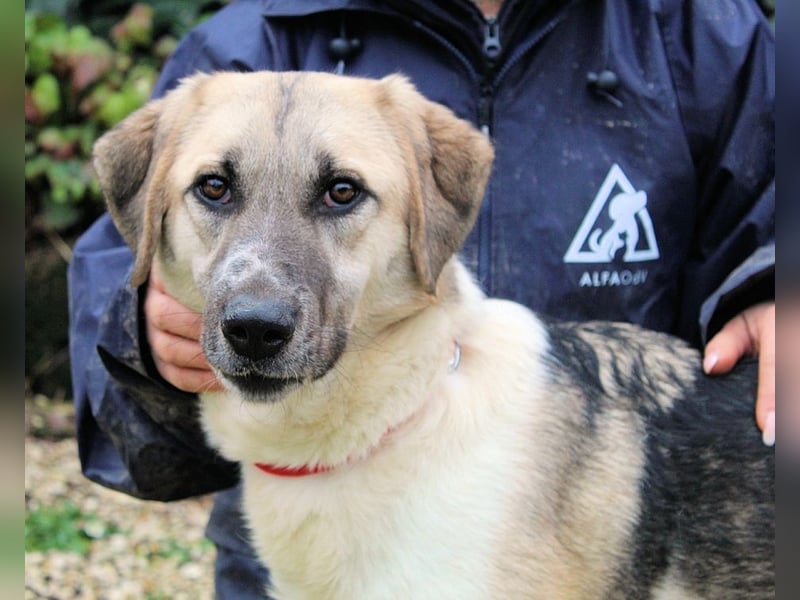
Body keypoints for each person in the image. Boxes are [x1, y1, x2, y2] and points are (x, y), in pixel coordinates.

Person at [68, 0, 775, 597]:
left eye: (341, 193)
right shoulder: (262, 32)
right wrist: (140, 331)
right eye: (215, 191)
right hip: (280, 517)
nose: (259, 298)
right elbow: (111, 289)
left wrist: (775, 278)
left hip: (590, 468)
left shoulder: (699, 30)